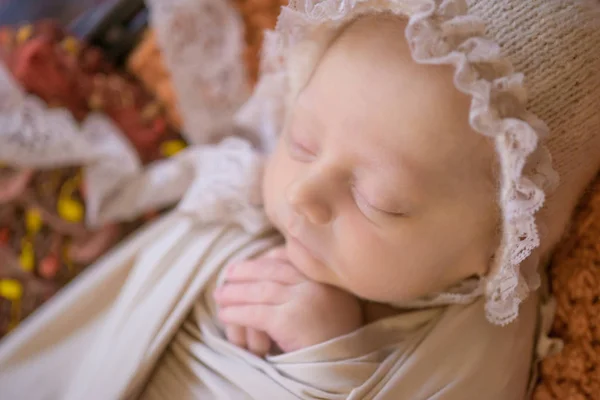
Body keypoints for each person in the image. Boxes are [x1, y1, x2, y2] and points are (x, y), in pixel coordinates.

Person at [0, 0, 598, 399]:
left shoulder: (481, 343)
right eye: (303, 142)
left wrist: (329, 356)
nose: (301, 192)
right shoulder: (239, 201)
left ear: (500, 244)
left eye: (379, 200)